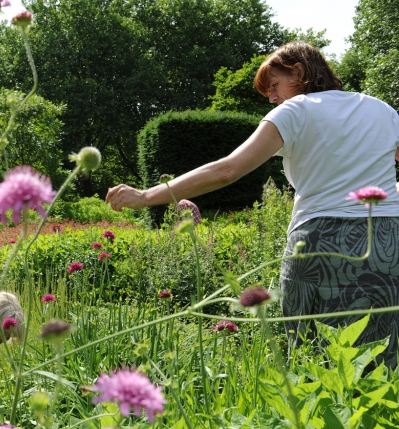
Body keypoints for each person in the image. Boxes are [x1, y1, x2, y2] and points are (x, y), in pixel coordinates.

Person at [106, 41, 399, 366]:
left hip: (321, 242)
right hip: (386, 239)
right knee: (381, 355)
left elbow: (227, 170)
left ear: (299, 73)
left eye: (274, 86)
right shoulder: (382, 109)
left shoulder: (295, 111)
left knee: (314, 357)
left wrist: (147, 196)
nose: (272, 98)